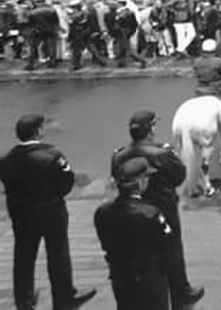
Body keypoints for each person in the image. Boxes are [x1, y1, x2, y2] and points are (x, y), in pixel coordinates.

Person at [0, 113, 95, 310]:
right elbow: (66, 183)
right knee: (58, 252)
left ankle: (23, 299)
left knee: (23, 254)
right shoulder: (53, 156)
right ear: (38, 131)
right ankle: (64, 297)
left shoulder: (7, 159)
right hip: (51, 210)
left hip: (20, 212)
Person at [110, 109, 204, 308]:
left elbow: (117, 176)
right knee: (172, 247)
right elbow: (179, 176)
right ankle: (180, 290)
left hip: (131, 207)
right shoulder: (162, 152)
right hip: (163, 206)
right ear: (151, 129)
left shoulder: (118, 154)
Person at [94, 158, 173, 309]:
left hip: (119, 273)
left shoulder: (102, 212)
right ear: (141, 181)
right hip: (149, 274)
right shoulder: (150, 212)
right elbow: (166, 242)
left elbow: (105, 241)